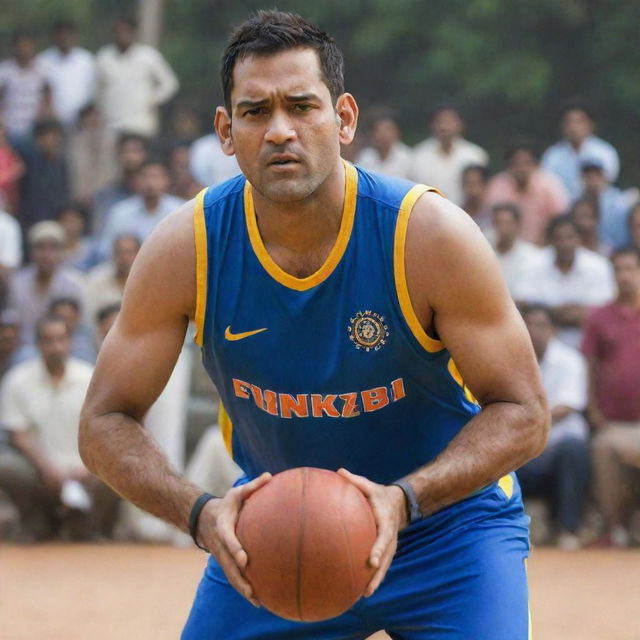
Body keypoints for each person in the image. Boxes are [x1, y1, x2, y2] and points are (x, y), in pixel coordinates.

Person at [79, 11, 547, 640]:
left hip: (448, 530)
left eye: (302, 106)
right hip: (275, 534)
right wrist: (201, 514)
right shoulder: (185, 249)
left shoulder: (426, 236)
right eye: (254, 112)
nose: (280, 131)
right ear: (224, 130)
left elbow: (523, 410)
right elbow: (103, 421)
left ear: (344, 119)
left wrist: (403, 500)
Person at [0, 315, 118, 541]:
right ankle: (37, 522)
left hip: (86, 469)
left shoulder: (89, 377)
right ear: (37, 345)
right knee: (5, 466)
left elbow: (105, 429)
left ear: (70, 342)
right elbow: (18, 436)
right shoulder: (18, 380)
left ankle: (85, 527)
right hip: (38, 471)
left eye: (61, 339)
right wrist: (47, 469)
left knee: (123, 466)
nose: (55, 347)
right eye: (48, 340)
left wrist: (87, 468)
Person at [518, 305, 589, 551]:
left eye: (541, 325)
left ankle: (568, 530)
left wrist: (523, 415)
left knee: (574, 449)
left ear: (554, 330)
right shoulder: (510, 359)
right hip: (523, 448)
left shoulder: (571, 360)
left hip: (558, 446)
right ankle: (516, 530)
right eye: (528, 325)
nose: (534, 331)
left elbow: (567, 406)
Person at [582, 248, 640, 547]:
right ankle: (614, 529)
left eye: (630, 268)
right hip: (614, 424)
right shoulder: (599, 316)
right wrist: (594, 412)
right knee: (603, 448)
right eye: (618, 270)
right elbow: (590, 368)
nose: (624, 276)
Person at [514, 215, 615, 348]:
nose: (565, 244)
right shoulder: (533, 263)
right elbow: (524, 307)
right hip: (540, 347)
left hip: (588, 346)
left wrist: (549, 312)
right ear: (550, 240)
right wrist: (575, 312)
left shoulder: (598, 266)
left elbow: (602, 314)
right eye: (558, 238)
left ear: (579, 239)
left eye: (570, 237)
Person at [8, 221, 84, 356]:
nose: (47, 254)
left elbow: (79, 328)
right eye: (41, 248)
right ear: (31, 252)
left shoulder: (74, 284)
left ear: (63, 252)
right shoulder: (17, 283)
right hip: (27, 348)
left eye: (53, 248)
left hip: (65, 346)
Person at [95, 16, 179, 138]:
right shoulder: (103, 57)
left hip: (141, 123)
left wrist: (152, 100)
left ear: (134, 33)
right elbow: (97, 90)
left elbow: (170, 84)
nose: (121, 35)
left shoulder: (148, 56)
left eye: (126, 32)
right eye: (118, 32)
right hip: (112, 124)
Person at [484, 139, 569, 245]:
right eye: (516, 163)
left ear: (535, 165)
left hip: (543, 248)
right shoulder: (497, 186)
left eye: (526, 163)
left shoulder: (550, 185)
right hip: (506, 249)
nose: (521, 168)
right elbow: (493, 224)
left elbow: (559, 222)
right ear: (508, 166)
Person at [98, 160, 185, 258]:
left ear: (167, 180)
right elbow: (106, 250)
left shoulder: (180, 211)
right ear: (136, 181)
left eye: (156, 177)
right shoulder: (120, 213)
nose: (150, 183)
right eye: (145, 177)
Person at [410, 104, 488, 205]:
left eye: (449, 122)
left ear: (461, 124)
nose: (444, 127)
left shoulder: (475, 155)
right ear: (432, 124)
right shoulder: (418, 155)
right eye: (440, 121)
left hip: (466, 215)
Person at [542, 99, 619, 199]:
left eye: (579, 122)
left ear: (590, 125)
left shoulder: (605, 152)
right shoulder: (552, 156)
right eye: (568, 122)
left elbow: (606, 185)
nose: (573, 127)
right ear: (562, 126)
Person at [36, 20, 95, 129]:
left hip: (80, 122)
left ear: (75, 36)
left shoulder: (86, 60)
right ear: (54, 36)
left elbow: (92, 91)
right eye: (61, 34)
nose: (64, 38)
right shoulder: (43, 60)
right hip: (53, 124)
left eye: (68, 34)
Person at [0, 29, 50, 146]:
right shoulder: (4, 71)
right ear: (14, 48)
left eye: (28, 46)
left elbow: (47, 99)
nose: (24, 50)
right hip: (10, 128)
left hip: (34, 129)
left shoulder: (42, 71)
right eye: (21, 46)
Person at [18, 119, 69, 230]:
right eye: (45, 136)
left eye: (53, 135)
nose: (50, 140)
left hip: (56, 220)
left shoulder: (62, 164)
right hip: (31, 220)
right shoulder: (29, 161)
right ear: (38, 139)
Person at [486, 202, 543, 297]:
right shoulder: (483, 254)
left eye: (508, 223)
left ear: (518, 225)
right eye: (498, 223)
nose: (502, 228)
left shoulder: (531, 256)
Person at [579, 158, 629, 250]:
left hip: (617, 251)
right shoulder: (577, 203)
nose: (593, 180)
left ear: (604, 177)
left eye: (596, 175)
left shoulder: (620, 202)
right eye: (588, 176)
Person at [355, 108, 412, 179]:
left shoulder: (408, 159)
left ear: (397, 131)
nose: (383, 135)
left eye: (387, 129)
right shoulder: (364, 158)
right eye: (378, 130)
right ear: (371, 134)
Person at [460, 164, 490, 230]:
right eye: (467, 183)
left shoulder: (494, 215)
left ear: (485, 185)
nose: (471, 189)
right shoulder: (456, 213)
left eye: (475, 184)